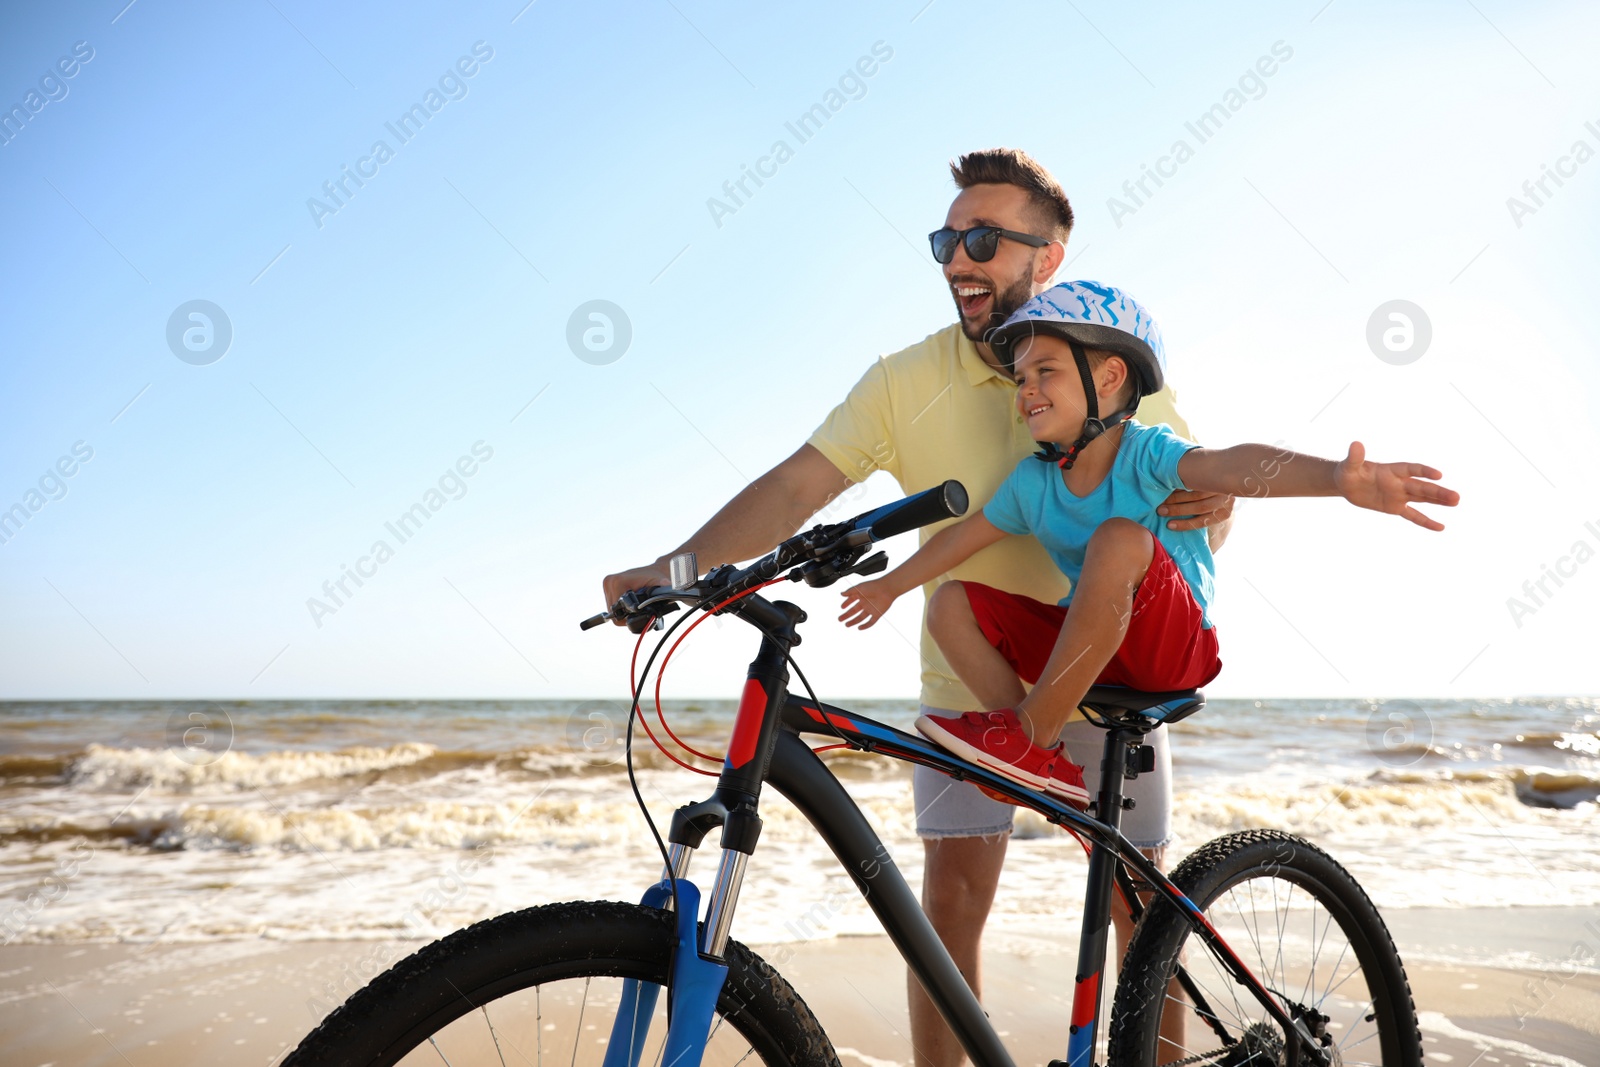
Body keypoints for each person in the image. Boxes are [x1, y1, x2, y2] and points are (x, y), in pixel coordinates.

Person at [602, 149, 1235, 1067]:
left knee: (1140, 914)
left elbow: (1189, 511)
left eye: (982, 239)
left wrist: (1223, 504)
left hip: (1102, 674)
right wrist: (681, 563)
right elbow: (799, 483)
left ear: (1047, 256)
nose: (956, 261)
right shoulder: (903, 379)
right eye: (946, 239)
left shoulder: (1111, 365)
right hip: (968, 674)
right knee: (944, 918)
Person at [839, 280, 1459, 810]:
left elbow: (1232, 465)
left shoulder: (1147, 452)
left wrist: (1335, 478)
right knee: (950, 602)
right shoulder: (1033, 482)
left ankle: (1032, 731)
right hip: (1095, 646)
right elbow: (964, 537)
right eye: (1021, 379)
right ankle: (1036, 750)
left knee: (1118, 538)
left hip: (1175, 647)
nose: (1026, 390)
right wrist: (891, 586)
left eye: (1045, 372)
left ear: (1108, 376)